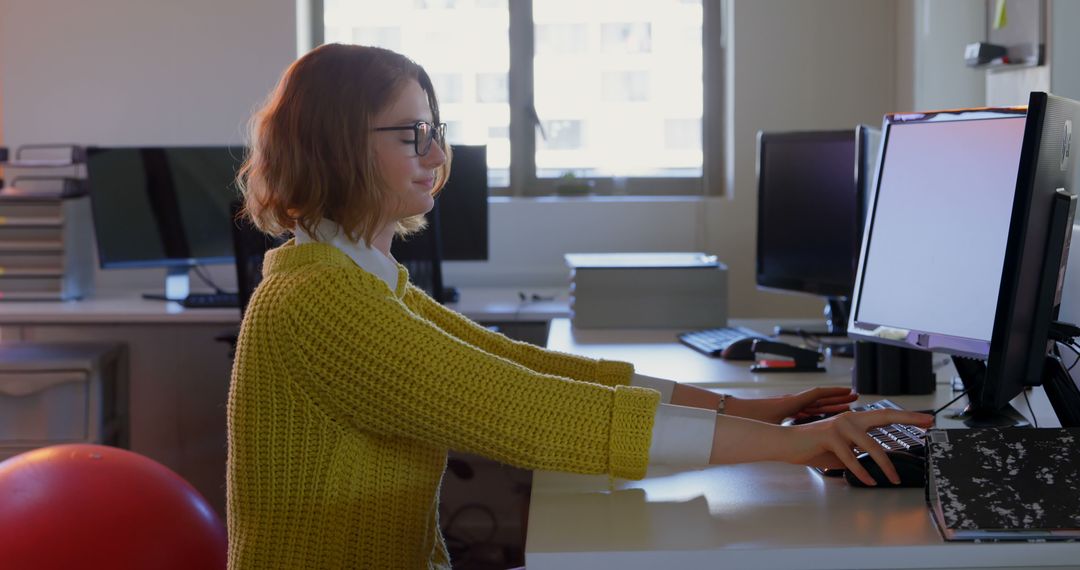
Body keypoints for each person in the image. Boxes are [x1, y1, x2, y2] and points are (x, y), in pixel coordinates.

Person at [227, 43, 934, 569]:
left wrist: (747, 412)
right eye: (413, 134)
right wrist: (793, 446)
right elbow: (528, 409)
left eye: (436, 131)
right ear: (337, 146)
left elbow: (533, 369)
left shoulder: (361, 277)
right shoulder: (319, 301)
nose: (437, 154)